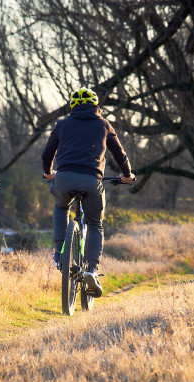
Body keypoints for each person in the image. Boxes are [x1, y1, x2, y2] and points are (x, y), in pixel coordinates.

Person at [42, 87, 135, 298]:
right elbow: (119, 154)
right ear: (96, 106)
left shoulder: (62, 124)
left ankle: (59, 254)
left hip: (64, 179)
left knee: (61, 206)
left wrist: (48, 173)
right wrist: (127, 175)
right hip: (92, 181)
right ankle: (92, 270)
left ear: (72, 106)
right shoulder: (103, 125)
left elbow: (47, 153)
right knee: (94, 223)